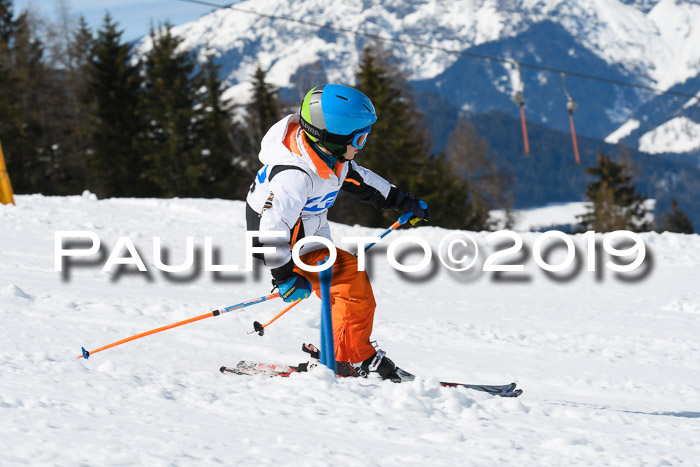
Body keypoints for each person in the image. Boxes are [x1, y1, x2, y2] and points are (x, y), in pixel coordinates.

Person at [246, 84, 430, 381]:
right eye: (360, 137)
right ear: (331, 138)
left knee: (348, 288)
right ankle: (347, 358)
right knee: (350, 288)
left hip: (306, 237)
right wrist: (283, 276)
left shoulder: (329, 158)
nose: (363, 143)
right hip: (283, 248)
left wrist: (400, 201)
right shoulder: (294, 175)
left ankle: (343, 351)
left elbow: (360, 180)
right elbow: (271, 227)